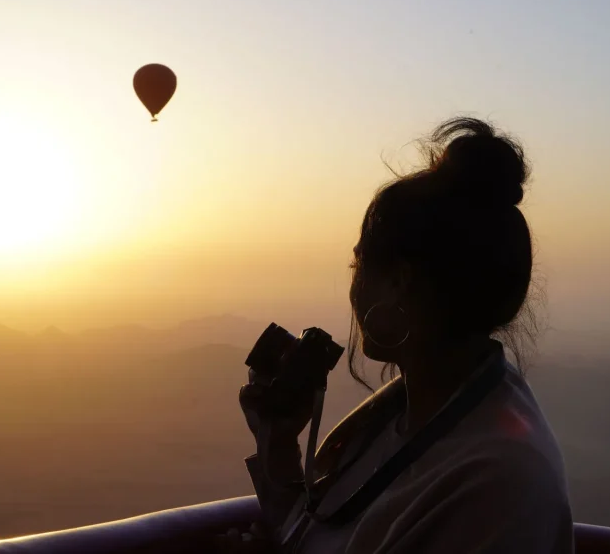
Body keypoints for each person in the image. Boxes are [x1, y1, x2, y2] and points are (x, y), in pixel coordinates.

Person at [225, 117, 574, 553]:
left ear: (397, 283)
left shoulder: (500, 481)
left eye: (358, 266)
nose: (352, 287)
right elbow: (320, 537)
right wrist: (277, 445)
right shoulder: (404, 416)